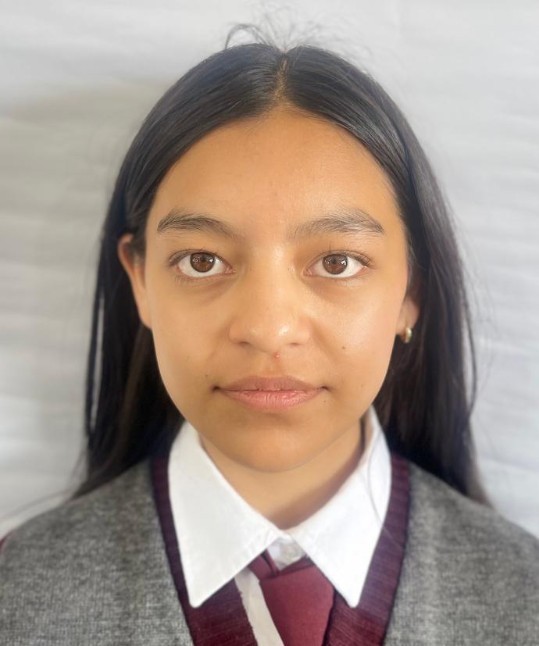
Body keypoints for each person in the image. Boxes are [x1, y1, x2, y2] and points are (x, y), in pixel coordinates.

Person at [1, 31, 538, 646]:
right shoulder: (17, 595)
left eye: (337, 262)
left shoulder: (524, 596)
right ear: (141, 281)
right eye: (202, 261)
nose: (268, 329)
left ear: (411, 290)